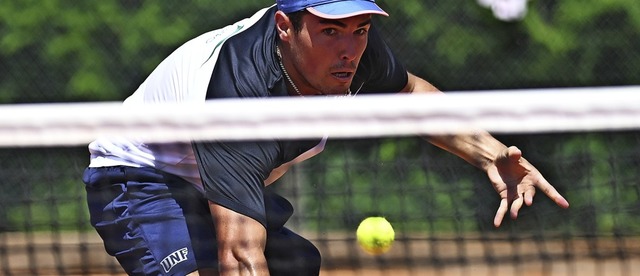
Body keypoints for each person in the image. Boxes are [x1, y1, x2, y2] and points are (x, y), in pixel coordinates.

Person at [81, 0, 570, 275]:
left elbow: (410, 94)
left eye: (359, 29)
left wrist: (490, 154)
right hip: (139, 178)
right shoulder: (240, 99)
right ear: (285, 27)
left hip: (207, 175)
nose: (349, 48)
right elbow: (240, 257)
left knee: (296, 266)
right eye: (332, 30)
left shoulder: (355, 53)